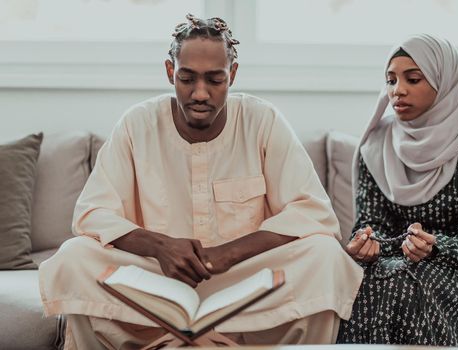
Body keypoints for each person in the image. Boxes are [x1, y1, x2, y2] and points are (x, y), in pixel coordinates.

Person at [39, 14, 363, 349]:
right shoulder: (138, 124)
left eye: (215, 80)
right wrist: (160, 247)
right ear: (170, 72)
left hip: (245, 287)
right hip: (155, 287)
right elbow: (92, 215)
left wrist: (227, 254)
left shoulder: (262, 120)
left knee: (324, 254)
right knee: (75, 256)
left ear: (232, 75)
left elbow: (313, 214)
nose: (200, 93)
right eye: (187, 78)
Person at [337, 34, 458, 349]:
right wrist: (366, 244)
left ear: (443, 81)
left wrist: (434, 247)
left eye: (413, 79)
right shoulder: (375, 146)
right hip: (392, 263)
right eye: (390, 80)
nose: (398, 90)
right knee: (385, 277)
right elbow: (369, 224)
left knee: (412, 277)